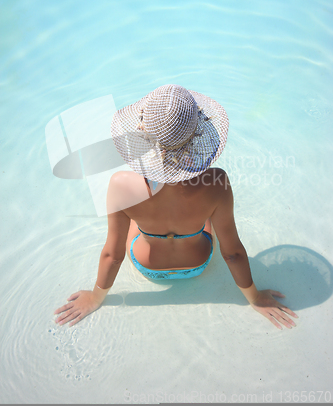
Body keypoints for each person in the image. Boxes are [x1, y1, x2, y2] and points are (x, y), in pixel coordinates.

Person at [55, 84, 298, 329]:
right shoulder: (216, 182)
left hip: (148, 267)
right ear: (198, 136)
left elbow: (113, 255)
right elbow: (232, 253)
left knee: (134, 221)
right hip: (197, 264)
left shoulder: (120, 185)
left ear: (142, 133)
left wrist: (96, 298)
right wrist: (254, 298)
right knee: (207, 215)